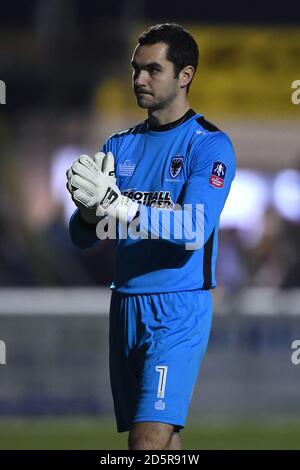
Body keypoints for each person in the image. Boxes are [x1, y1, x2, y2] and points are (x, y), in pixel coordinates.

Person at [66, 23, 236, 450]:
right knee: (159, 442)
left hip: (177, 308)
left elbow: (195, 227)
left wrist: (121, 206)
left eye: (152, 70)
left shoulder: (209, 145)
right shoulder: (119, 145)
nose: (139, 79)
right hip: (124, 303)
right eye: (135, 69)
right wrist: (89, 213)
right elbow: (82, 236)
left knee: (148, 442)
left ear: (185, 75)